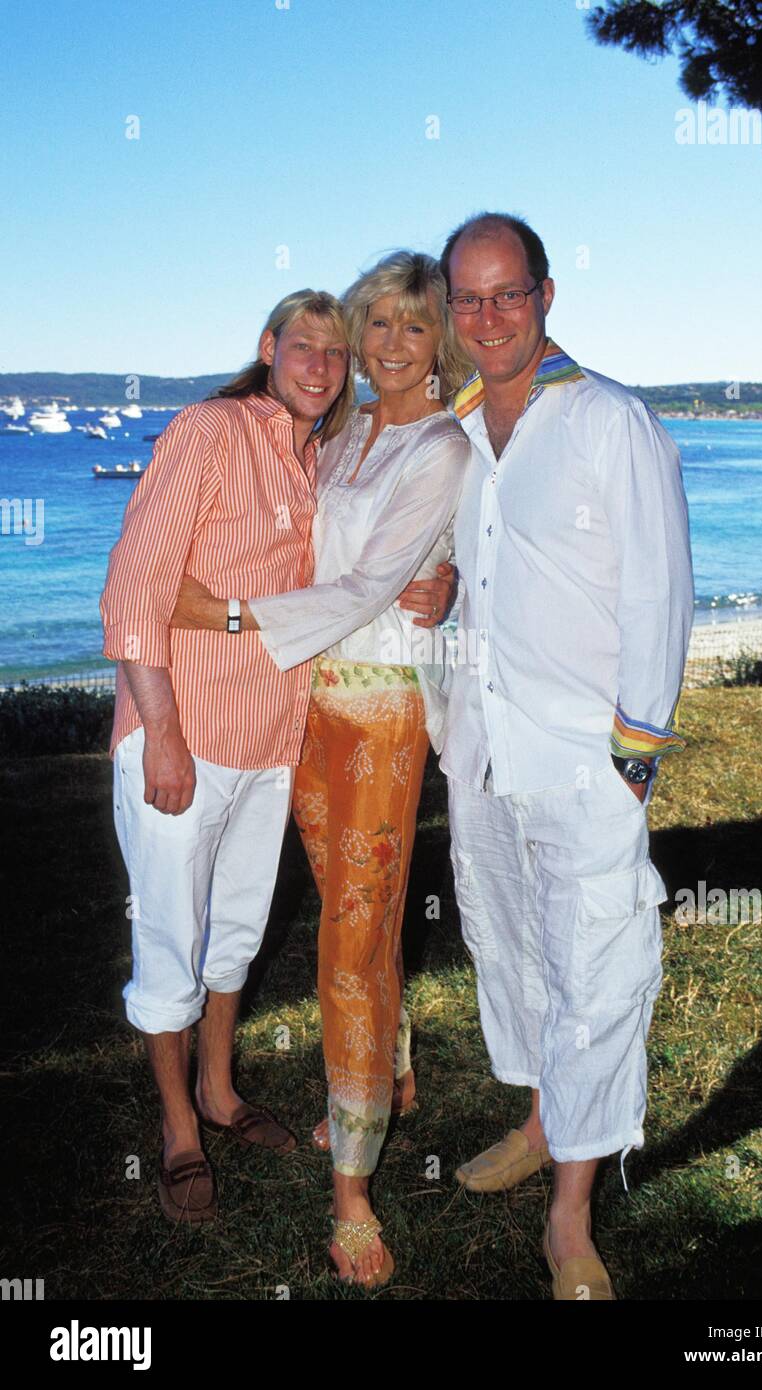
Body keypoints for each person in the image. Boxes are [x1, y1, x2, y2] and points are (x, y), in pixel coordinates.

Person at [169, 251, 471, 1284]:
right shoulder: (338, 437)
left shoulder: (439, 446)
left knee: (349, 937)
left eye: (411, 329)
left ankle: (352, 1185)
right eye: (372, 326)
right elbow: (290, 542)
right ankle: (386, 1066)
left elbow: (370, 582)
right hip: (304, 708)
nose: (386, 347)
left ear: (440, 343)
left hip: (379, 715)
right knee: (358, 910)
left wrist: (225, 614)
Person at [437, 213, 694, 1300]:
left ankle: (571, 1213)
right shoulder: (451, 433)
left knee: (593, 969)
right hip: (483, 751)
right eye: (467, 298)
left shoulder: (608, 422)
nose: (487, 317)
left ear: (544, 297)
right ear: (450, 311)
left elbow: (659, 589)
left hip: (585, 755)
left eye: (507, 294)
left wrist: (632, 752)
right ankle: (543, 1120)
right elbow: (470, 576)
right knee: (512, 949)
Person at [99, 289, 353, 1225]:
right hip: (187, 737)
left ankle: (219, 1089)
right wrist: (161, 733)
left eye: (335, 353)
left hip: (270, 740)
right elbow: (132, 590)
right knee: (170, 937)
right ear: (268, 348)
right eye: (305, 346)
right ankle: (177, 1128)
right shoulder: (210, 431)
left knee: (235, 929)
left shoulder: (319, 457)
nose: (320, 366)